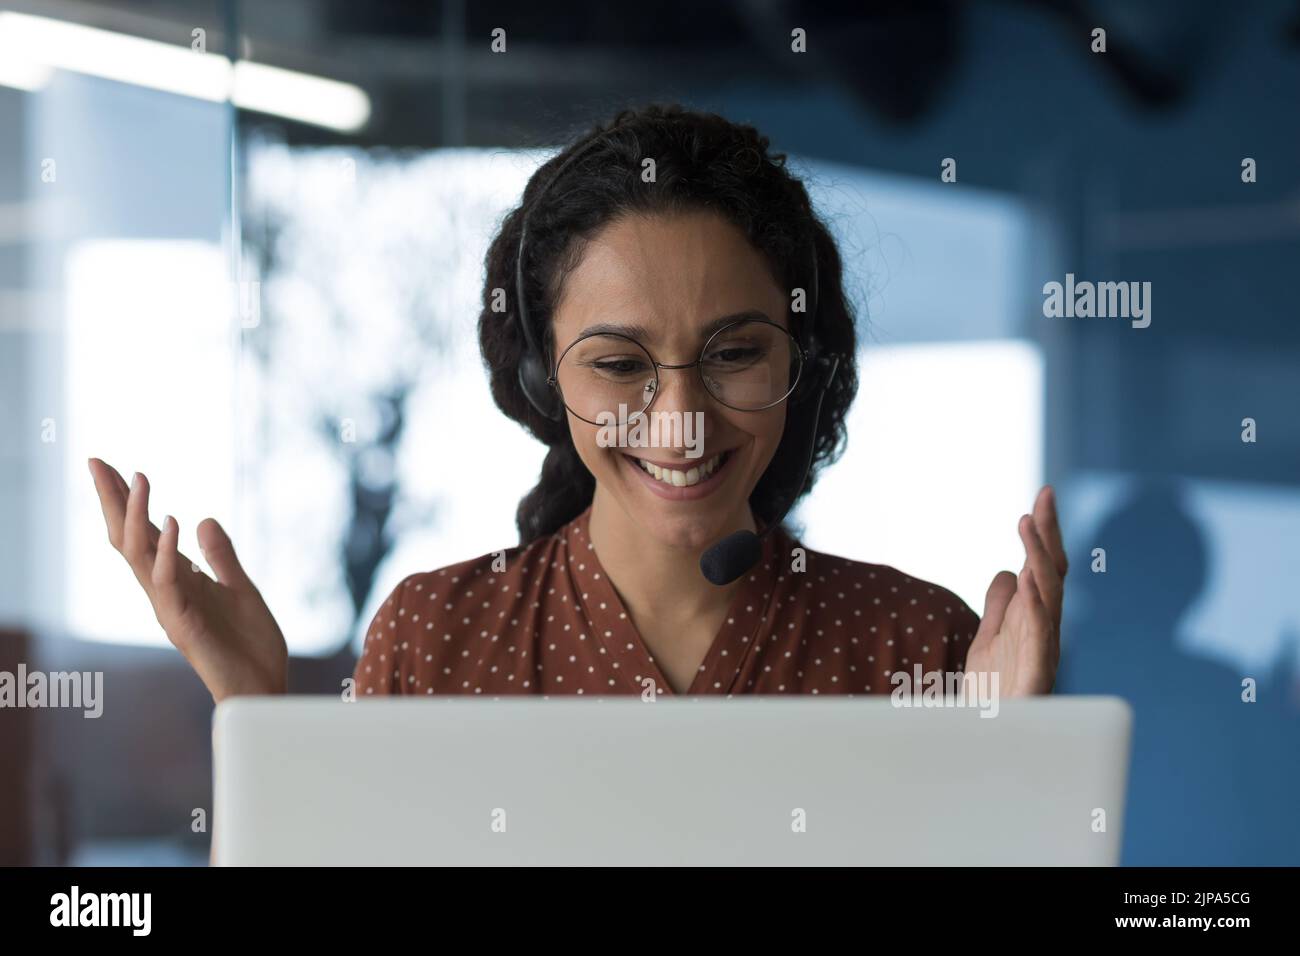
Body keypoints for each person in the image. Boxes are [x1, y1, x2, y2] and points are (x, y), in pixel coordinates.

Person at [88, 104, 1066, 704]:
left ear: (799, 363)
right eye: (618, 362)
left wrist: (1012, 772)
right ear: (539, 376)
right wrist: (255, 728)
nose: (680, 414)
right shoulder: (435, 640)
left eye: (732, 351)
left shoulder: (916, 644)